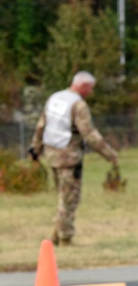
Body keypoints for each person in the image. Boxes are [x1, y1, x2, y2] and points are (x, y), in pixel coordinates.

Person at [29, 71, 119, 246]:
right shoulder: (78, 105)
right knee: (70, 199)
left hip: (52, 155)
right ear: (83, 86)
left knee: (63, 197)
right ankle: (65, 238)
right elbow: (90, 134)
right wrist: (110, 155)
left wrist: (35, 149)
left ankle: (55, 235)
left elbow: (41, 126)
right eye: (90, 88)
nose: (91, 92)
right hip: (68, 157)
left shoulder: (55, 98)